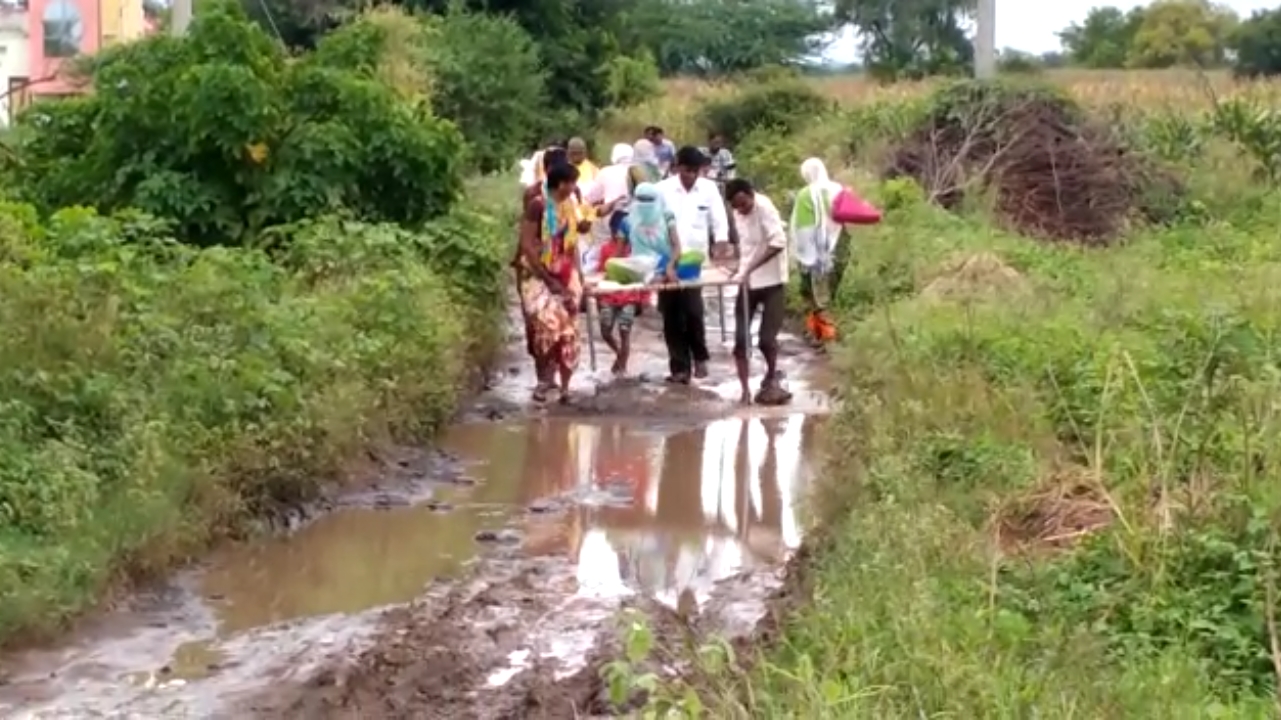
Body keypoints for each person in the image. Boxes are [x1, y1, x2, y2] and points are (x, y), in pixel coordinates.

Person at [516, 161, 587, 403]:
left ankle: (565, 388)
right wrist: (548, 278)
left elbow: (573, 243)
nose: (574, 187)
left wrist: (579, 274)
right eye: (571, 183)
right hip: (538, 273)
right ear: (561, 183)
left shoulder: (569, 205)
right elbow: (526, 245)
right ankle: (544, 381)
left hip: (566, 273)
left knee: (569, 330)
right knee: (546, 325)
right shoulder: (538, 206)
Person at [657, 146, 728, 382]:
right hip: (667, 260)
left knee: (693, 311)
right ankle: (679, 368)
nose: (691, 175)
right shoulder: (663, 189)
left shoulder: (708, 189)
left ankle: (700, 357)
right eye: (687, 170)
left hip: (695, 261)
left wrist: (721, 242)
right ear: (677, 167)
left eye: (695, 171)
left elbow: (718, 218)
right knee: (670, 314)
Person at [725, 177, 792, 406]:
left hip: (772, 280)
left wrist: (751, 267)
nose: (741, 210)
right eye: (736, 207)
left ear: (751, 195)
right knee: (741, 340)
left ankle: (772, 376)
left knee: (766, 339)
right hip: (747, 282)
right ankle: (744, 391)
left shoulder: (764, 208)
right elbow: (747, 245)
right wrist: (740, 268)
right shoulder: (737, 212)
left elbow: (778, 243)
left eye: (744, 205)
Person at [791, 157, 846, 345]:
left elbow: (802, 229)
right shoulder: (838, 189)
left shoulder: (805, 194)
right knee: (829, 292)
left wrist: (801, 254)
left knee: (815, 293)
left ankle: (824, 336)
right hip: (839, 248)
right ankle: (821, 333)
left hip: (815, 253)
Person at [594, 213, 649, 376]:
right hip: (609, 295)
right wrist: (598, 296)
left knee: (625, 331)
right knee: (605, 332)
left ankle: (622, 367)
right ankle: (619, 354)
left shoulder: (635, 250)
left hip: (629, 296)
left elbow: (642, 277)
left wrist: (643, 299)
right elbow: (601, 274)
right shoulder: (605, 249)